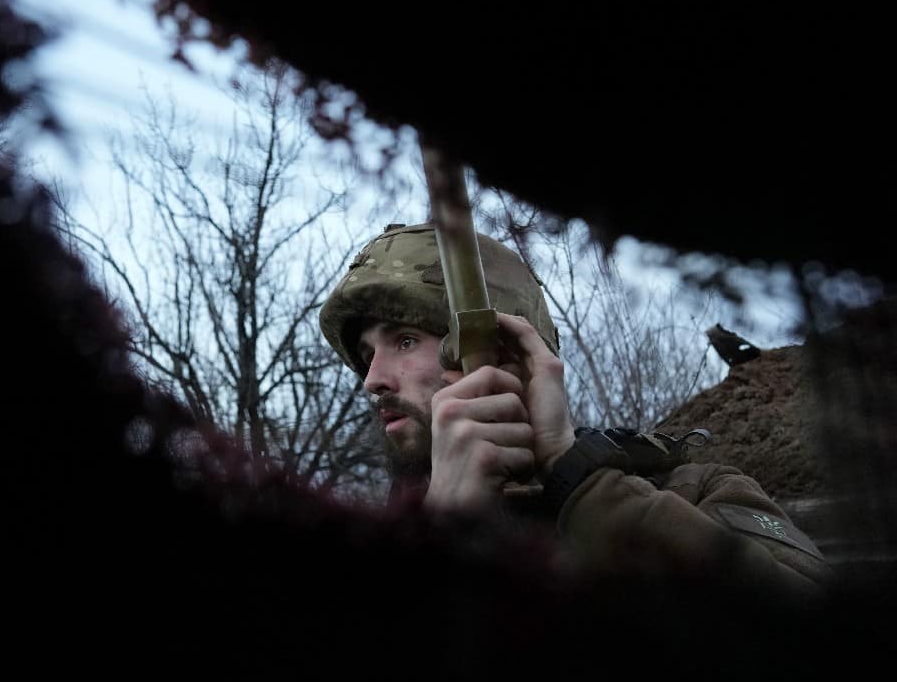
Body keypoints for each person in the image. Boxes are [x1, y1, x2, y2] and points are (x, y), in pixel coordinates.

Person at [319, 222, 833, 597]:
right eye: (366, 357)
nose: (372, 379)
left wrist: (584, 485)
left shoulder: (691, 492)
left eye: (405, 341)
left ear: (506, 353)